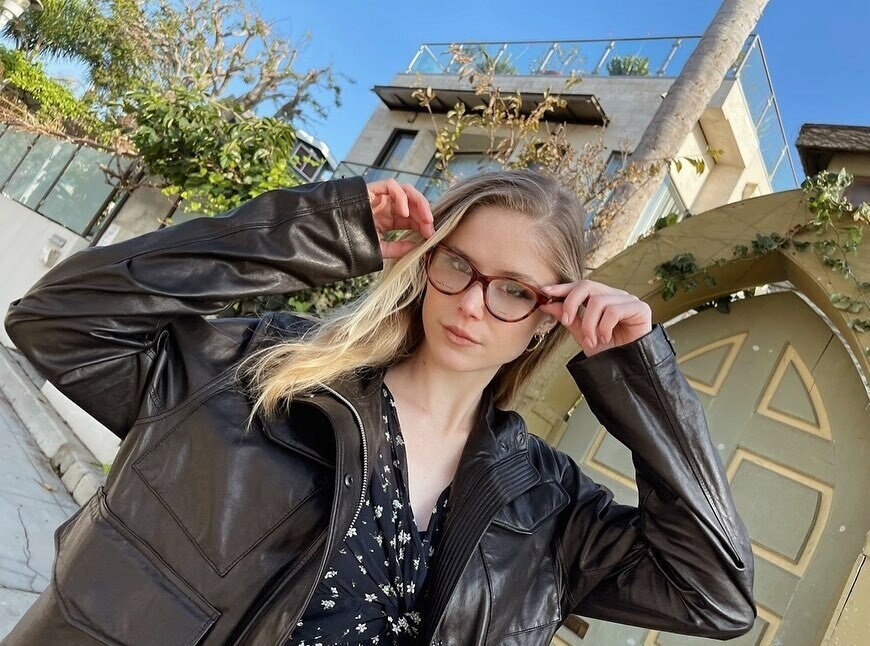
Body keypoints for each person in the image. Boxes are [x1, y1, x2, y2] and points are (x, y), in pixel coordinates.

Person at [3, 170, 755, 646]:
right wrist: (313, 231)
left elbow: (715, 596)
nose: (473, 304)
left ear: (546, 317)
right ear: (427, 264)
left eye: (514, 290)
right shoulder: (262, 371)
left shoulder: (551, 508)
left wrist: (638, 371)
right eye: (458, 265)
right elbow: (57, 322)